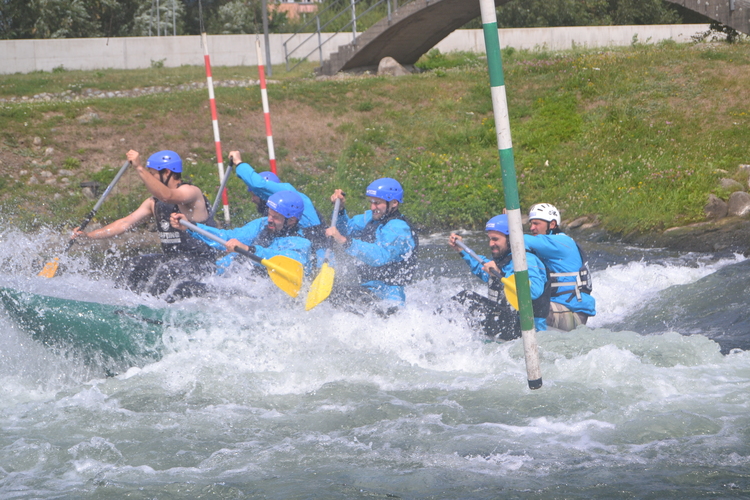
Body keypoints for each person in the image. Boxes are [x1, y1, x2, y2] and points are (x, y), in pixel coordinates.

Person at [72, 149, 217, 296]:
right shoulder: (153, 202)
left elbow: (168, 196)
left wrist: (139, 168)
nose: (150, 179)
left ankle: (154, 311)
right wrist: (89, 236)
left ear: (167, 172)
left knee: (167, 271)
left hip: (201, 262)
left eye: (152, 174)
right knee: (134, 264)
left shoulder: (190, 192)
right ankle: (119, 302)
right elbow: (125, 223)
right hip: (171, 260)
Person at [170, 190, 312, 289]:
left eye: (275, 217)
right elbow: (227, 237)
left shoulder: (300, 243)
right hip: (230, 276)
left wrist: (249, 249)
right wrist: (191, 226)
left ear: (291, 220)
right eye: (269, 214)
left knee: (187, 289)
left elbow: (283, 260)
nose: (269, 219)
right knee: (176, 273)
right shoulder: (262, 224)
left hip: (261, 292)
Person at [449, 214, 550, 339]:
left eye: (495, 239)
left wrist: (500, 274)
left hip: (528, 328)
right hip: (508, 321)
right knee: (457, 305)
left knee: (466, 298)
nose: (491, 244)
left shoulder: (526, 259)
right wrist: (462, 250)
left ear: (510, 239)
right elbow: (483, 269)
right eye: (490, 239)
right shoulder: (503, 258)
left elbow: (533, 291)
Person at [325, 177, 418, 307]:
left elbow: (380, 256)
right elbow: (346, 230)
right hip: (369, 289)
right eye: (371, 202)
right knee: (332, 294)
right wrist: (340, 210)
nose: (372, 207)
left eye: (377, 203)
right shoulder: (371, 217)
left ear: (394, 203)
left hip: (389, 297)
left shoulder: (399, 228)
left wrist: (345, 241)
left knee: (335, 296)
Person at [228, 150, 327, 265]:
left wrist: (238, 162)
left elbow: (259, 185)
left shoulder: (288, 195)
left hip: (316, 257)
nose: (253, 199)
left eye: (255, 194)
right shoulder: (278, 212)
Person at [523, 203, 596, 331]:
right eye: (531, 224)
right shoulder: (547, 246)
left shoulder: (562, 242)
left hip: (572, 314)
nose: (532, 227)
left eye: (536, 223)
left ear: (552, 224)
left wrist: (508, 229)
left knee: (525, 307)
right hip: (557, 307)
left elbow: (519, 240)